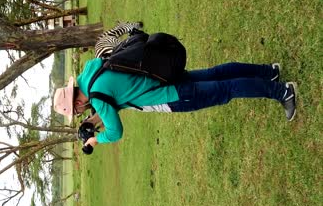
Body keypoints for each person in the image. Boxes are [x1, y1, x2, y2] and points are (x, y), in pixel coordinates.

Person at [53, 59, 297, 149]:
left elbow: (115, 132)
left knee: (225, 90)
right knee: (215, 74)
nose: (81, 113)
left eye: (77, 111)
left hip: (169, 96)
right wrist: (94, 121)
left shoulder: (96, 98)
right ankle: (269, 72)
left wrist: (97, 139)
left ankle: (284, 92)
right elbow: (119, 95)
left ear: (76, 102)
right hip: (164, 76)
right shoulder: (91, 70)